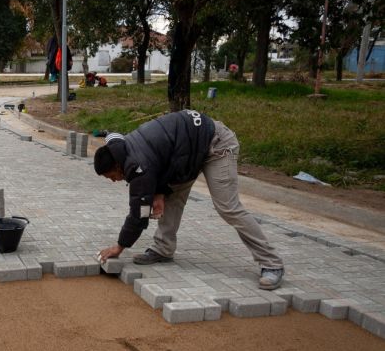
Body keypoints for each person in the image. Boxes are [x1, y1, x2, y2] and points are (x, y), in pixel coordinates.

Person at [94, 110, 285, 290]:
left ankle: (271, 263)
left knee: (228, 207)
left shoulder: (137, 166)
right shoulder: (122, 146)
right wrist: (160, 192)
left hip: (215, 144)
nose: (113, 180)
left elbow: (139, 215)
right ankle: (163, 249)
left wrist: (119, 247)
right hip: (185, 154)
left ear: (118, 165)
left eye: (111, 176)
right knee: (172, 197)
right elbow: (151, 157)